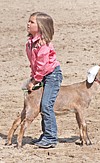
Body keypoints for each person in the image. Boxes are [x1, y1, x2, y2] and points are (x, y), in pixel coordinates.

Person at [26, 12, 63, 148]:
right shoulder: (30, 43)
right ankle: (46, 134)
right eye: (29, 21)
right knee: (43, 105)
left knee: (47, 105)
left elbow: (42, 66)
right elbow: (34, 63)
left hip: (52, 75)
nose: (28, 24)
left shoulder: (43, 45)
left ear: (41, 27)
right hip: (42, 75)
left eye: (32, 22)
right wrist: (33, 76)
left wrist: (34, 81)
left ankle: (51, 137)